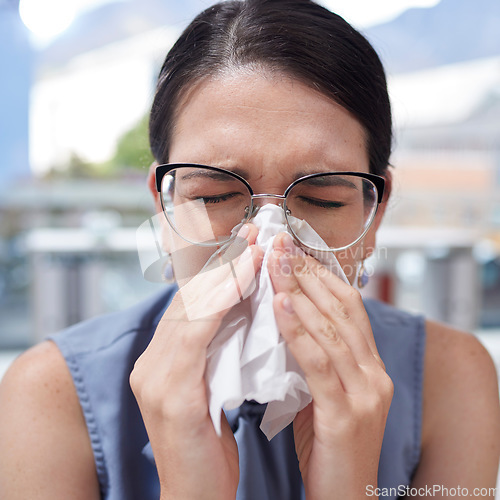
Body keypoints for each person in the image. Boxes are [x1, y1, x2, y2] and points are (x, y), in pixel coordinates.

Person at [1, 0, 499, 498]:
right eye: (215, 195)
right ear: (164, 208)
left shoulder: (450, 382)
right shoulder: (50, 395)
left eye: (321, 197)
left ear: (375, 214)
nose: (269, 240)